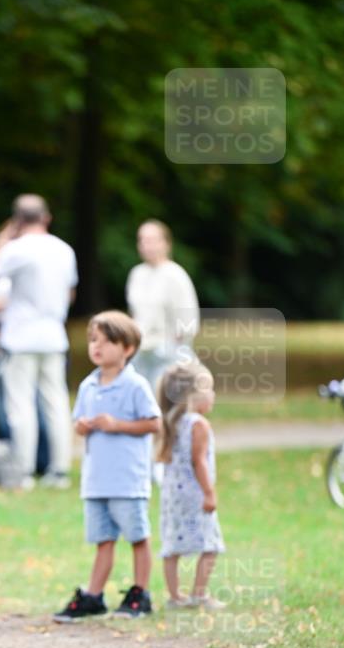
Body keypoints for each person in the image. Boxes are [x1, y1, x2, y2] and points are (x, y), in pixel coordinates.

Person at [53, 311, 161, 623]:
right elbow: (78, 423)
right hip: (96, 479)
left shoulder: (136, 385)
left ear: (127, 348)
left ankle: (141, 593)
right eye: (92, 340)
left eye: (106, 341)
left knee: (137, 536)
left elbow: (153, 424)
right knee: (103, 540)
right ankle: (94, 596)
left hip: (127, 479)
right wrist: (84, 426)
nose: (96, 347)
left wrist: (116, 424)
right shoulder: (89, 386)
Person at [0, 194, 77, 489]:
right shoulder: (64, 250)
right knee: (57, 403)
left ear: (18, 221)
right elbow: (71, 293)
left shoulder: (16, 249)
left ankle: (23, 470)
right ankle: (59, 469)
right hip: (54, 335)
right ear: (46, 218)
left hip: (21, 336)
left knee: (20, 405)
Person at [156, 361, 226, 609]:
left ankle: (175, 597)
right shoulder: (198, 424)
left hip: (172, 496)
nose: (213, 395)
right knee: (210, 543)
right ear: (192, 395)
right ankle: (199, 593)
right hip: (194, 494)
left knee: (172, 544)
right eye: (209, 389)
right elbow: (199, 463)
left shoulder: (170, 421)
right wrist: (209, 493)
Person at [125, 220, 200, 392]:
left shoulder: (175, 275)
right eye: (142, 240)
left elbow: (188, 318)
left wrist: (176, 347)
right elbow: (134, 314)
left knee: (167, 403)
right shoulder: (137, 274)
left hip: (167, 351)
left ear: (165, 243)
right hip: (141, 351)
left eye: (151, 240)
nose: (146, 245)